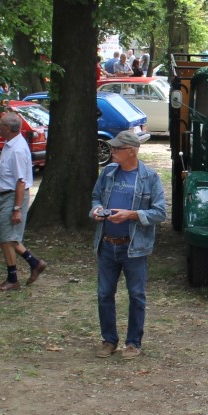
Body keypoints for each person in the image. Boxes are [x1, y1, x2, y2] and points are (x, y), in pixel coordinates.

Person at [90, 128, 166, 357]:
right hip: (107, 244)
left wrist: (131, 215)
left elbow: (160, 213)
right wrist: (96, 209)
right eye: (112, 148)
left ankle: (133, 343)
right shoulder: (108, 173)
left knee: (136, 295)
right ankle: (109, 341)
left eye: (117, 149)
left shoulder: (149, 177)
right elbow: (95, 197)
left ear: (131, 151)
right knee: (104, 294)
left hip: (134, 247)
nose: (112, 152)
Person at [0, 111, 47, 292]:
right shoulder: (11, 144)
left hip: (12, 196)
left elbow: (21, 181)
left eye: (0, 126)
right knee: (9, 238)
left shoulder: (17, 150)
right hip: (5, 196)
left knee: (7, 238)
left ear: (8, 128)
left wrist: (16, 208)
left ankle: (13, 279)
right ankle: (34, 263)